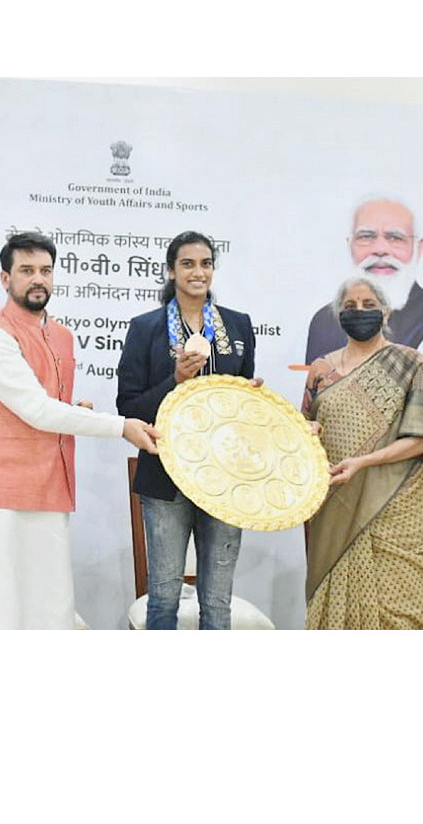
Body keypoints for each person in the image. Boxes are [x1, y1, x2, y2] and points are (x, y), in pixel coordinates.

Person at [0, 231, 159, 629]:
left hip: (51, 488)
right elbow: (36, 410)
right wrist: (121, 427)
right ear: (5, 278)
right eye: (26, 270)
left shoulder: (62, 335)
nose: (38, 279)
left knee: (49, 614)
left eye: (46, 271)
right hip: (2, 494)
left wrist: (71, 409)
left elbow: (47, 405)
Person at [116, 230, 257, 630]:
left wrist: (253, 400)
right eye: (188, 263)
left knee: (217, 602)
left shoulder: (239, 326)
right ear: (171, 270)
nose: (198, 272)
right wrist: (175, 380)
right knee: (163, 598)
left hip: (226, 479)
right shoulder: (145, 328)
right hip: (166, 477)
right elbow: (128, 406)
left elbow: (242, 404)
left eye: (206, 263)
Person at [300, 276, 423, 629]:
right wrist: (306, 433)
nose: (359, 312)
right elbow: (304, 430)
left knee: (406, 612)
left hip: (401, 506)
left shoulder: (410, 363)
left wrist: (364, 462)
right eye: (350, 307)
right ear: (338, 314)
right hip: (338, 503)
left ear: (386, 313)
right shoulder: (321, 370)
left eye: (369, 306)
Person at [305, 198, 423, 371]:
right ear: (350, 245)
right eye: (366, 237)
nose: (380, 249)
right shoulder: (322, 322)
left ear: (418, 248)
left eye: (395, 237)